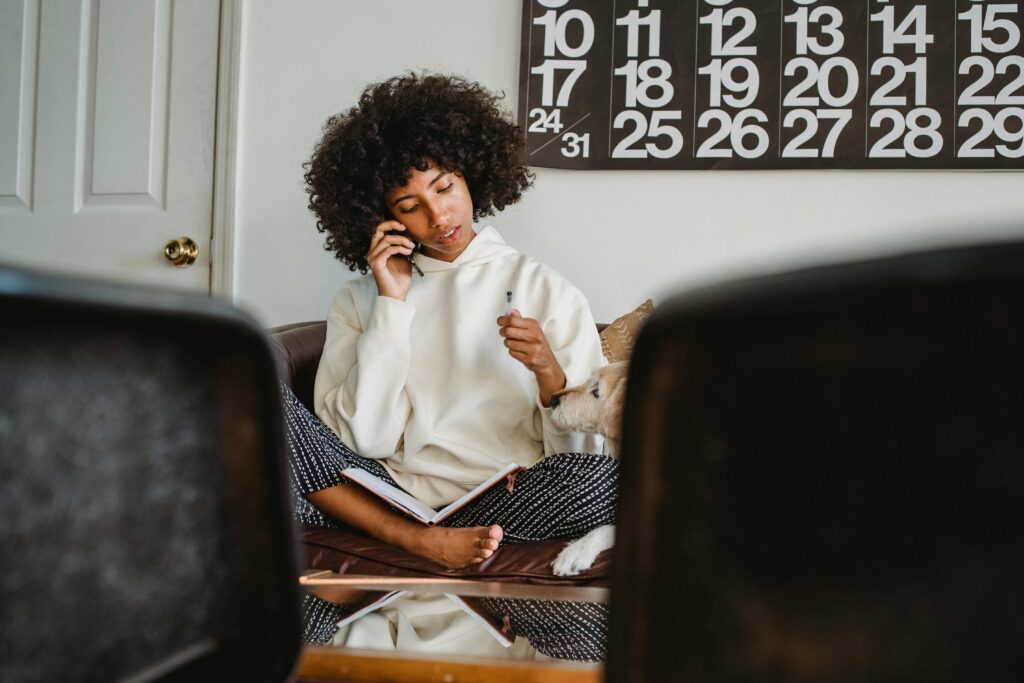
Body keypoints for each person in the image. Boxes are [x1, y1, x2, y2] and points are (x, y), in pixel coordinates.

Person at [285, 73, 616, 571]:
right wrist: (391, 305)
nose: (438, 216)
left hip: (503, 502)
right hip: (386, 495)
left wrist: (548, 370)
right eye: (409, 206)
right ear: (381, 216)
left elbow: (583, 450)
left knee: (604, 483)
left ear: (472, 176)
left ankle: (426, 536)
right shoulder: (358, 301)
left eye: (445, 188)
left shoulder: (547, 288)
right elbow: (358, 444)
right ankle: (418, 539)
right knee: (246, 391)